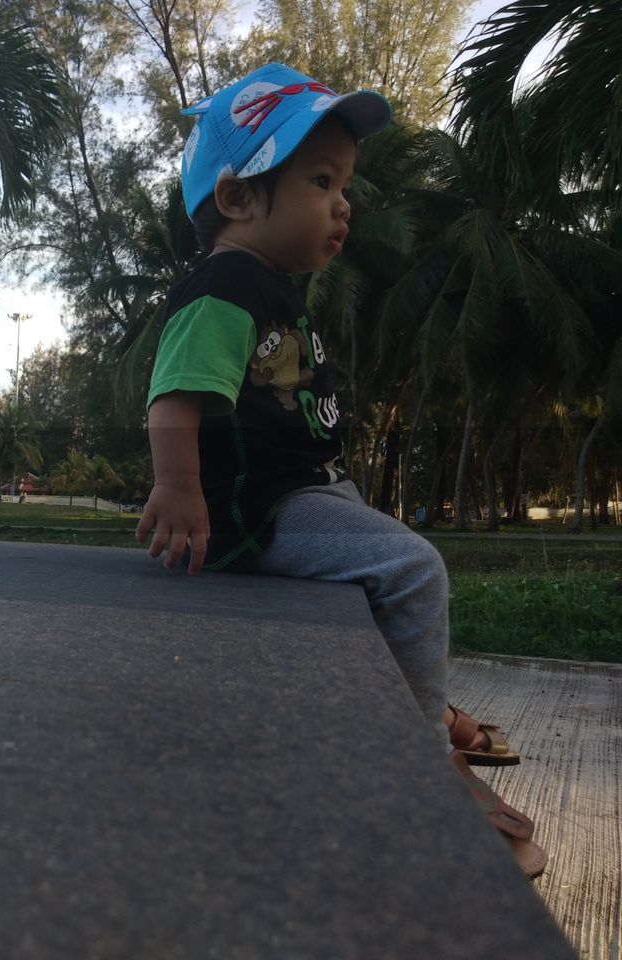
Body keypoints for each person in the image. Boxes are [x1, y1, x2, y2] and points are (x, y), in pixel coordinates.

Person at [134, 63, 546, 878]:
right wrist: (179, 489)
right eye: (321, 180)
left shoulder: (270, 287)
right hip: (261, 508)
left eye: (345, 184)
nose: (343, 202)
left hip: (302, 491)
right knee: (413, 568)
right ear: (238, 198)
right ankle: (423, 755)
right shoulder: (225, 286)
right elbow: (174, 396)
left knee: (378, 559)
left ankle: (415, 701)